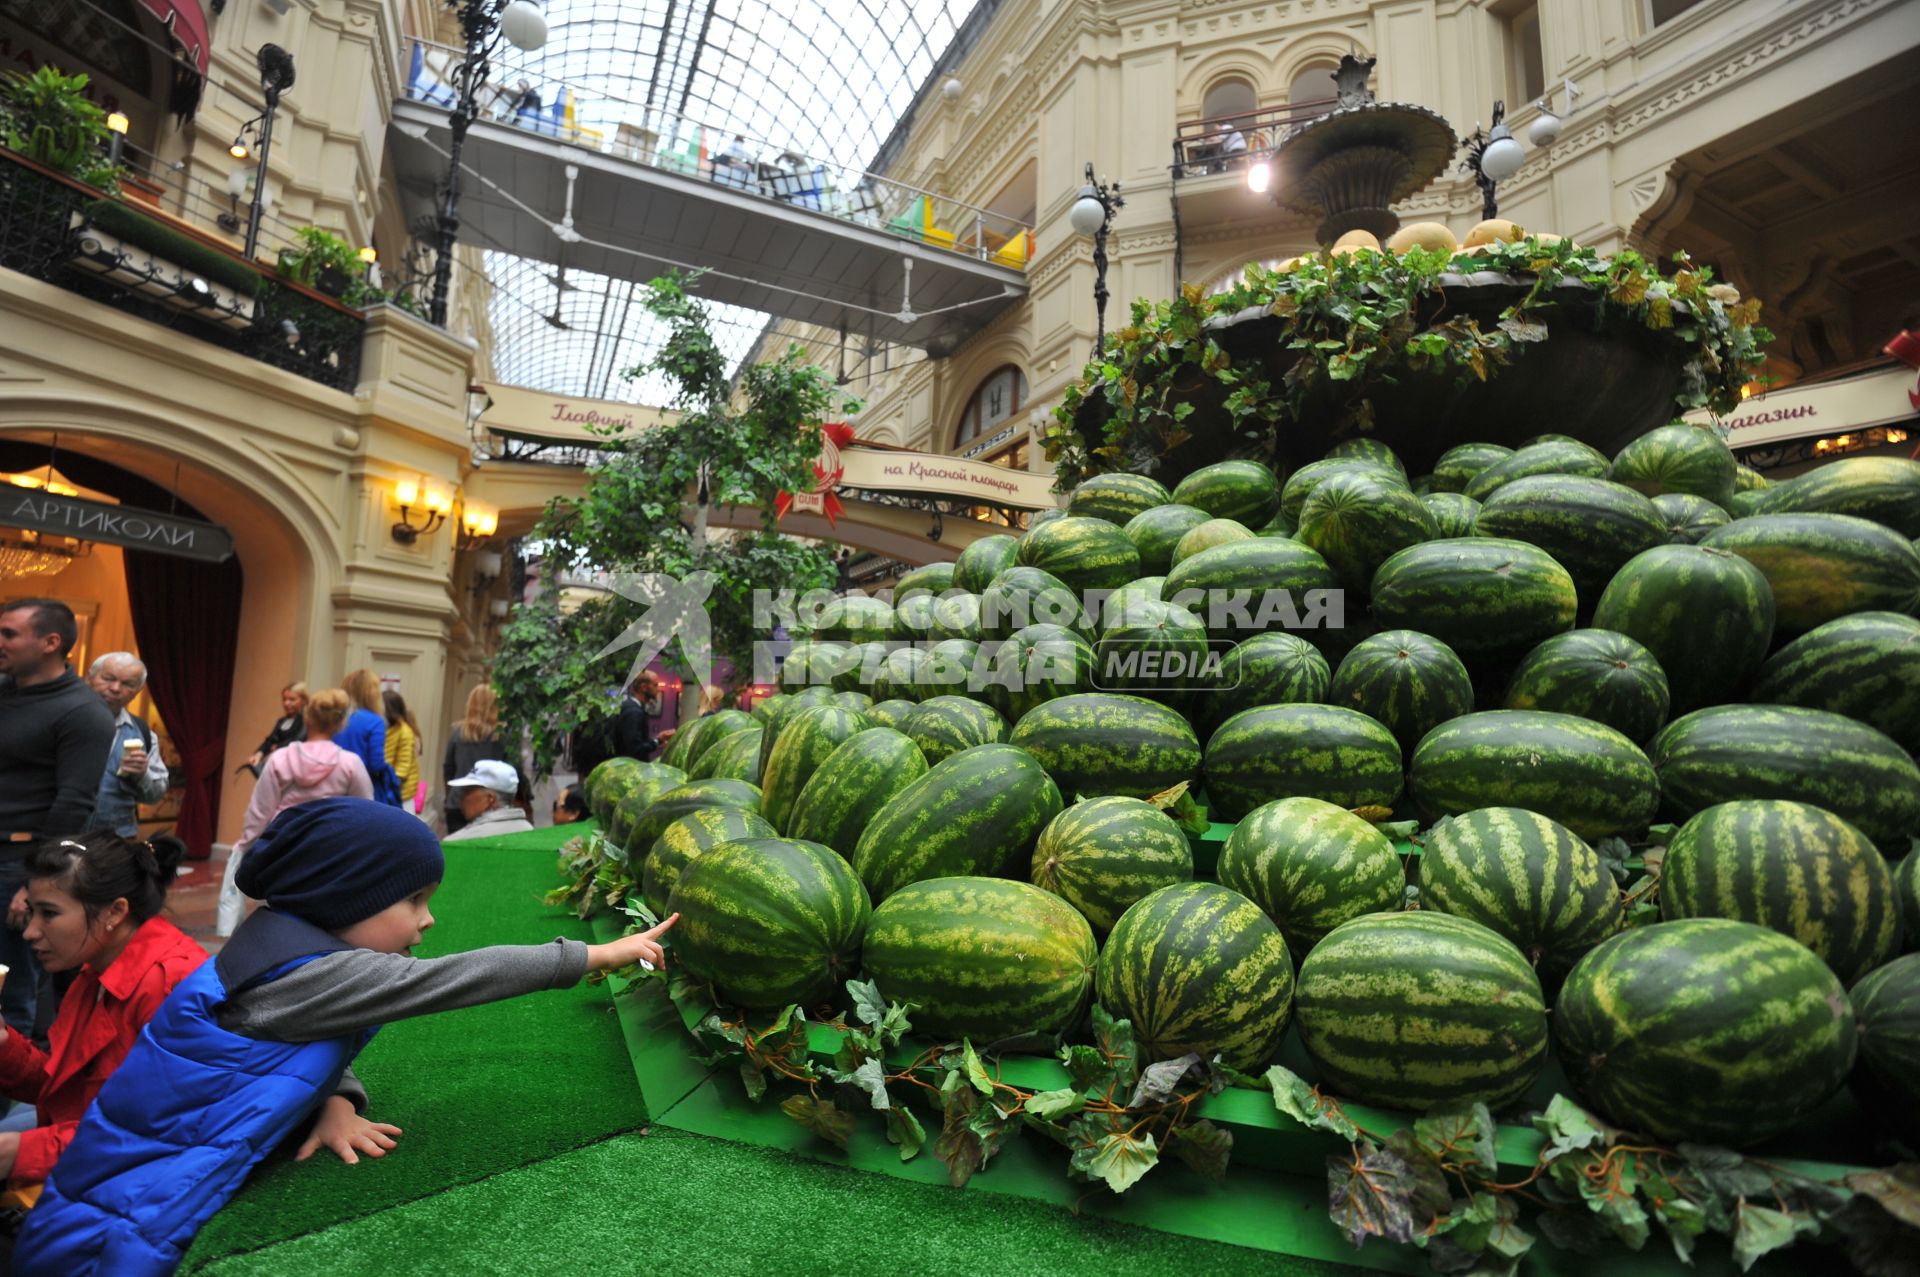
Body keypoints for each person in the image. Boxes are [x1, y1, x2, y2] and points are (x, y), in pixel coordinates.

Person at [13, 799, 677, 1275]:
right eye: (411, 900)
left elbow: (305, 1040)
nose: (429, 919)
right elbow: (460, 978)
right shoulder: (310, 973)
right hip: (105, 1225)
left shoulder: (277, 952)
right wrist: (594, 955)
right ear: (344, 901)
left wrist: (338, 1099)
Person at [0, 833, 205, 1188]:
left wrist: (21, 1152)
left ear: (115, 911)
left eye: (49, 914)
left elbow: (154, 1136)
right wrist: (3, 1043)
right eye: (33, 912)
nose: (31, 932)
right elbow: (61, 1091)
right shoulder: (97, 967)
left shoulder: (170, 984)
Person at [0, 599, 116, 1038]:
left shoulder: (82, 712)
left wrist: (34, 883)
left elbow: (73, 804)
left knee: (11, 992)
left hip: (17, 862)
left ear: (50, 643)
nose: (0, 642)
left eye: (9, 633)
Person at [218, 690, 372, 937]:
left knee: (277, 913)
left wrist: (245, 845)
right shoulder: (350, 764)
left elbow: (260, 810)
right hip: (328, 851)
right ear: (340, 724)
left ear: (307, 718)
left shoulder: (280, 758)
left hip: (283, 847)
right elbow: (365, 813)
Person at [84, 654, 170, 840]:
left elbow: (155, 795)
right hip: (57, 835)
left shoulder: (141, 733)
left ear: (137, 691)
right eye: (108, 679)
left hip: (116, 841)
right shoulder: (62, 720)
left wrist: (142, 774)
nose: (115, 688)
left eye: (127, 684)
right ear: (89, 678)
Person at [442, 685, 528, 834]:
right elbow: (516, 770)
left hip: (457, 801)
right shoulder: (504, 736)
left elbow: (448, 768)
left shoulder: (457, 732)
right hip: (492, 803)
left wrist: (449, 796)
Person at [333, 670, 400, 808]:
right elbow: (376, 763)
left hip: (333, 785)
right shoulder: (375, 721)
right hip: (362, 790)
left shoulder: (335, 718)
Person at [443, 761, 533, 842]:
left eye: (467, 791)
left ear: (490, 799)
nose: (461, 797)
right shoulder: (530, 832)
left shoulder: (457, 842)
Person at [243, 684, 308, 777]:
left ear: (303, 700)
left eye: (292, 700)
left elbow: (297, 740)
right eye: (284, 699)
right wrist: (259, 753)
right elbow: (271, 740)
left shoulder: (306, 720)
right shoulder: (281, 721)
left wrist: (277, 746)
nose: (286, 703)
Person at [381, 691, 422, 815]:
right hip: (390, 791)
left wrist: (385, 787)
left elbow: (402, 769)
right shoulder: (386, 728)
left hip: (400, 795)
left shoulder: (404, 732)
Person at [615, 672, 662, 762]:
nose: (659, 689)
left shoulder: (631, 708)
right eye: (655, 685)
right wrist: (657, 741)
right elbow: (635, 749)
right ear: (643, 687)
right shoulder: (633, 712)